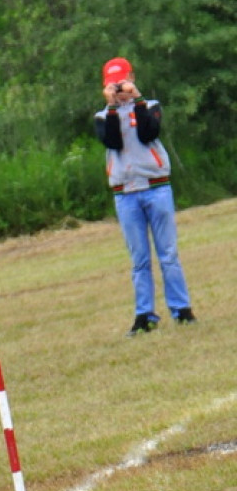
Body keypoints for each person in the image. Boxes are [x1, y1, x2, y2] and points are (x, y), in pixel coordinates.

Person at [94, 57, 197, 338]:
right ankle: (145, 315)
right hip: (126, 194)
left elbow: (148, 133)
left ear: (132, 78)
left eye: (123, 83)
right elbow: (113, 141)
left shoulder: (150, 107)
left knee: (168, 253)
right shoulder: (103, 117)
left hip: (156, 187)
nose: (119, 90)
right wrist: (114, 107)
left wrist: (136, 100)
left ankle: (182, 310)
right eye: (113, 85)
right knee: (139, 259)